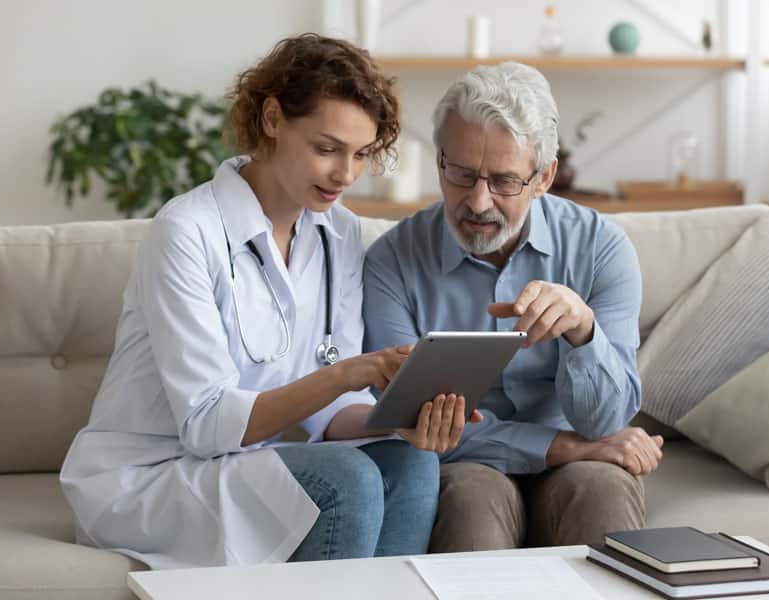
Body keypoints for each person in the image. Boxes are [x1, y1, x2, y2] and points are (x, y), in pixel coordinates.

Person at [60, 33, 478, 570]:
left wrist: (400, 419)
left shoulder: (340, 234)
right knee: (343, 479)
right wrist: (352, 372)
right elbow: (209, 426)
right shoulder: (186, 231)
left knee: (410, 463)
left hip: (253, 464)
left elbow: (326, 416)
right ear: (273, 118)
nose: (345, 176)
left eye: (360, 154)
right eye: (326, 149)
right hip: (155, 473)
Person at [362, 62, 664, 552]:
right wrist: (562, 447)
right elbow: (406, 423)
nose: (478, 202)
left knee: (602, 488)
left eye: (504, 182)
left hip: (582, 465)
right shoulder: (392, 261)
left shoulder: (601, 248)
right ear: (439, 159)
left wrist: (583, 331)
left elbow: (605, 422)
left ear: (543, 177)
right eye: (460, 173)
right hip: (466, 466)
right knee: (469, 500)